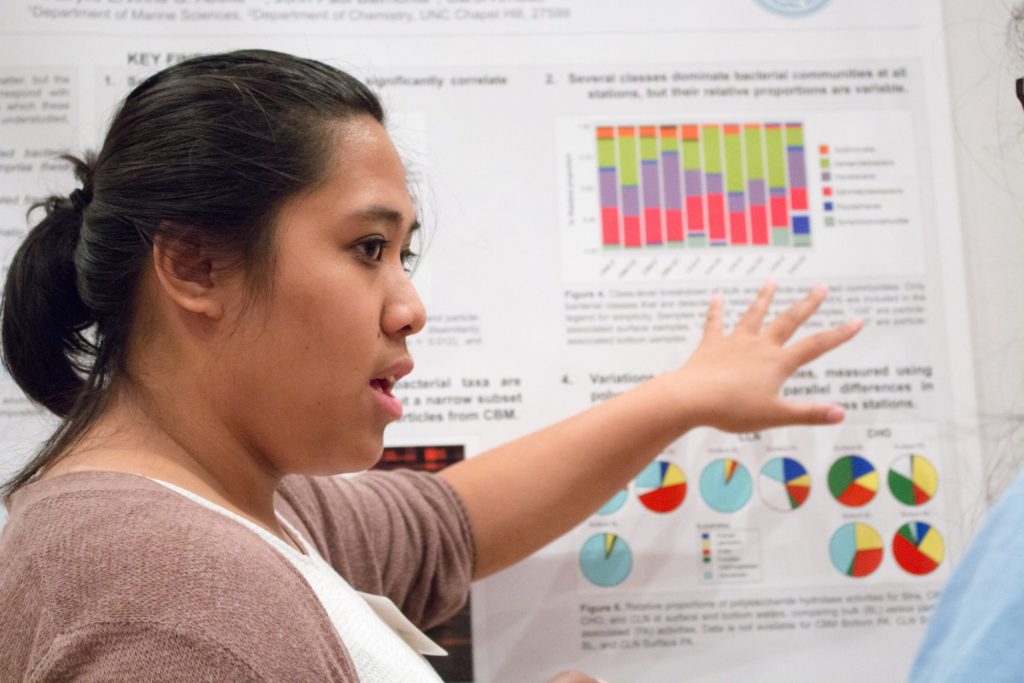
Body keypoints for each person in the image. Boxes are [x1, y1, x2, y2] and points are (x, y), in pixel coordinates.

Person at [0, 49, 861, 681]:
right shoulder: (175, 593)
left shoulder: (236, 512)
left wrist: (685, 395)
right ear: (195, 266)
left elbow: (450, 522)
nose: (409, 305)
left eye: (403, 253)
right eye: (367, 247)